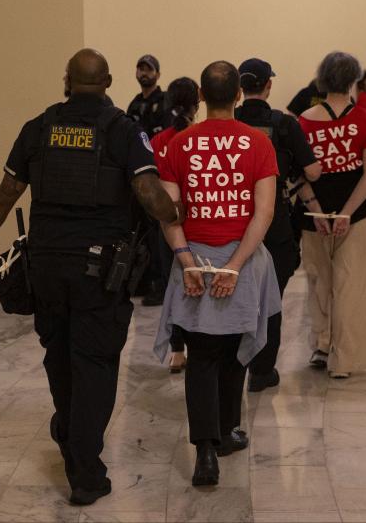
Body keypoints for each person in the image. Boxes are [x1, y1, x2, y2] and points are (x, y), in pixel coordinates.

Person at [0, 49, 179, 506]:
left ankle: (68, 430)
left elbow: (9, 188)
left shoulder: (39, 127)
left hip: (45, 265)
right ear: (107, 81)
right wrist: (175, 210)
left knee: (59, 353)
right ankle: (84, 472)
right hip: (99, 270)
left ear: (67, 80)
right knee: (96, 363)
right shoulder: (124, 130)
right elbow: (147, 192)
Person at [154, 61, 281, 487]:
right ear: (240, 96)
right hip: (240, 260)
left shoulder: (179, 145)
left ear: (203, 97)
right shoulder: (258, 143)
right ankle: (225, 434)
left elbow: (169, 213)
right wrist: (235, 265)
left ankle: (206, 451)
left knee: (202, 356)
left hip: (194, 260)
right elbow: (263, 213)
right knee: (233, 351)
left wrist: (187, 260)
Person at [235, 57, 322, 392]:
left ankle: (234, 365)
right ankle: (261, 370)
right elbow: (313, 171)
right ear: (268, 86)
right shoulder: (284, 125)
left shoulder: (230, 122)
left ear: (241, 89)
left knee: (236, 295)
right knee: (270, 298)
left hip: (233, 222)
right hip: (274, 225)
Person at [297, 51, 366, 378]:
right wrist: (346, 213)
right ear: (353, 80)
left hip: (313, 213)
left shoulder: (303, 120)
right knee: (351, 285)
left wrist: (318, 211)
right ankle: (343, 361)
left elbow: (300, 174)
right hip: (357, 214)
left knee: (319, 283)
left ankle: (321, 344)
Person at [150, 77, 201, 373]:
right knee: (198, 286)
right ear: (198, 102)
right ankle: (200, 343)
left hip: (168, 226)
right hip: (198, 227)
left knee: (175, 287)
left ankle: (177, 350)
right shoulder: (201, 137)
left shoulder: (159, 141)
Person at [127, 54, 169, 306]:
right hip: (137, 176)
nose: (144, 73)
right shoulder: (133, 105)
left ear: (157, 74)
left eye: (149, 69)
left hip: (158, 175)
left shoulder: (164, 103)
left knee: (158, 234)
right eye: (140, 68)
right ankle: (141, 281)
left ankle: (160, 284)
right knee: (139, 230)